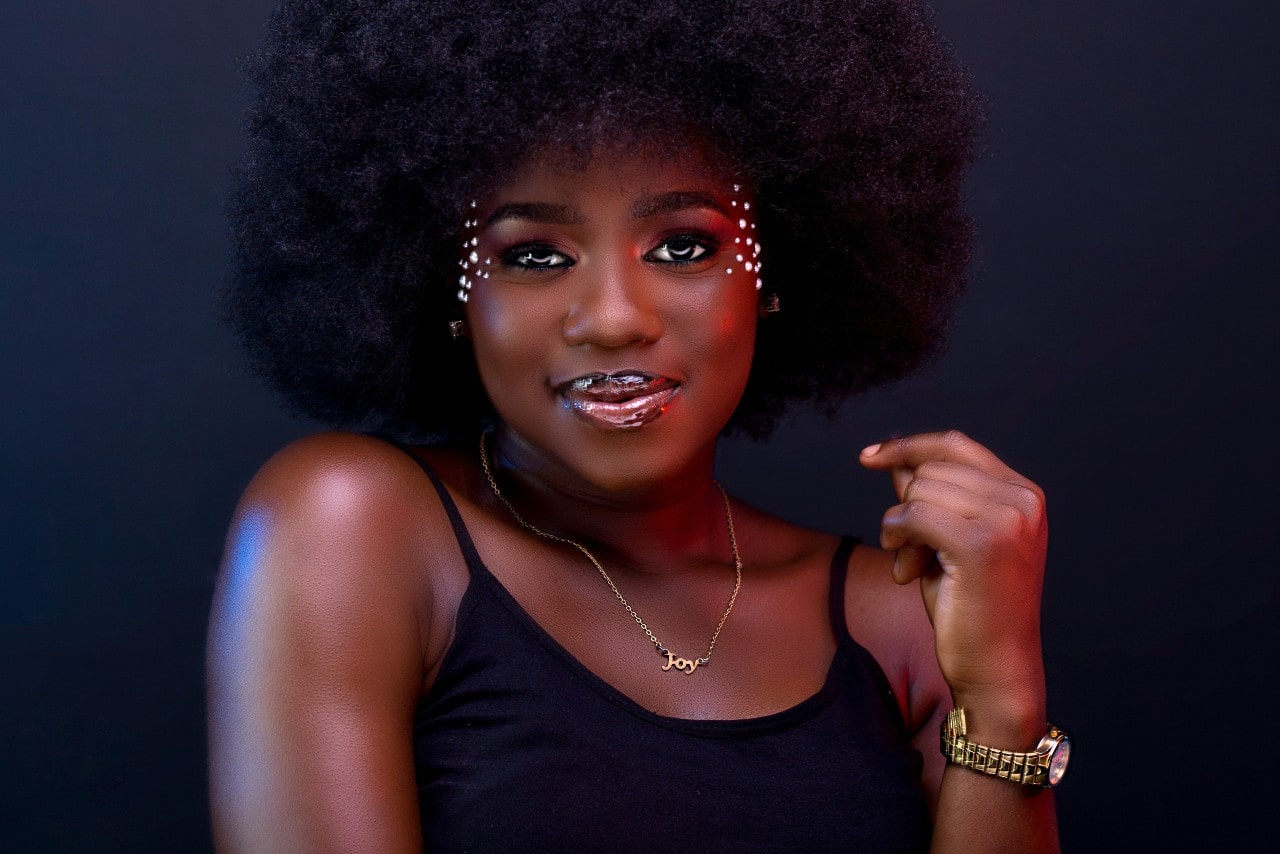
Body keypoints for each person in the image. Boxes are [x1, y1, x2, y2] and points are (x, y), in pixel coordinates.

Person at [207, 0, 1065, 850]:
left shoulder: (902, 621)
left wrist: (1003, 695)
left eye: (685, 245)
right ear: (455, 293)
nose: (614, 317)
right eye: (534, 254)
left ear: (773, 274)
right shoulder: (353, 525)